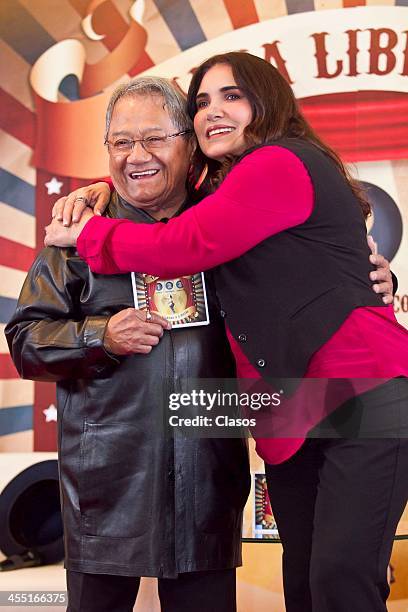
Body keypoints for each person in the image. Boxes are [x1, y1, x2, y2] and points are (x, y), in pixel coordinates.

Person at [44, 52, 408, 612]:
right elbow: (158, 183)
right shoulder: (222, 189)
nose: (213, 110)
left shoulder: (278, 161)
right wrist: (103, 189)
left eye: (232, 96)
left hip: (359, 389)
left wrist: (90, 233)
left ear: (267, 103)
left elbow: (182, 245)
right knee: (307, 586)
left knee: (340, 581)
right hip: (288, 409)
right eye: (202, 102)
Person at [5, 77, 251, 612]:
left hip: (207, 481)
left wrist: (374, 277)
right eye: (121, 142)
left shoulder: (225, 226)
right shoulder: (76, 234)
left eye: (154, 139)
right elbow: (24, 338)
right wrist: (101, 336)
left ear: (188, 143)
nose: (136, 156)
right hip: (105, 484)